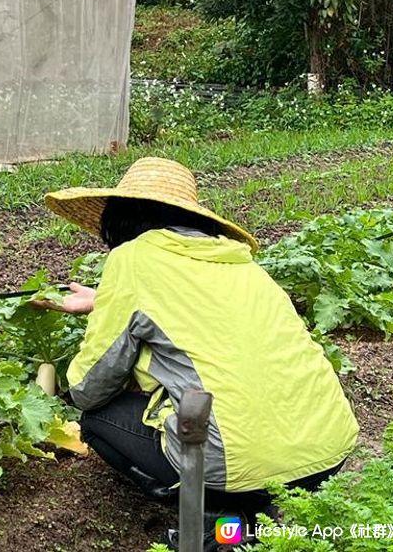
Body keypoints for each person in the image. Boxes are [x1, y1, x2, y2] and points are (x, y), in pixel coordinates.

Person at [37, 157, 358, 514]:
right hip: (328, 456)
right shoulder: (237, 262)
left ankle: (214, 517)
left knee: (97, 418)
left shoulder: (132, 257)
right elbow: (204, 315)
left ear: (117, 218)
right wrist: (105, 302)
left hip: (238, 472)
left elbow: (88, 389)